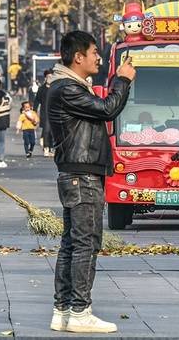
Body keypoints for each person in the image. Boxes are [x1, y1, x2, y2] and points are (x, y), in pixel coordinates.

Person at [46, 30, 134, 334]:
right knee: (85, 243)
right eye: (94, 52)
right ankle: (80, 310)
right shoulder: (67, 88)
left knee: (73, 243)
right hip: (81, 175)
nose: (99, 57)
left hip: (79, 172)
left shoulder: (68, 86)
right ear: (77, 57)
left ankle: (64, 309)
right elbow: (108, 109)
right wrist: (122, 80)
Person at [35, 69, 55, 157]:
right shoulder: (41, 89)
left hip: (55, 113)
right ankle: (46, 148)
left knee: (53, 132)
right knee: (46, 131)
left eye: (51, 76)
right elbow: (37, 101)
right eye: (48, 77)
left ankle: (51, 148)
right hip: (45, 113)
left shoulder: (56, 88)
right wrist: (34, 111)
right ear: (45, 78)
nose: (50, 78)